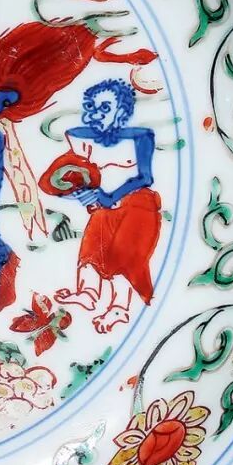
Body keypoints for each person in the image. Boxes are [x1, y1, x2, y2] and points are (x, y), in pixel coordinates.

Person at [39, 79, 161, 333]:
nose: (97, 114)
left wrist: (110, 196)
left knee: (124, 254)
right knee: (93, 245)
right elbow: (75, 172)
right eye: (92, 108)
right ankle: (87, 292)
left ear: (122, 110)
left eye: (105, 107)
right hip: (103, 207)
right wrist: (77, 193)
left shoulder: (140, 137)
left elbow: (145, 178)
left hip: (138, 204)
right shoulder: (81, 137)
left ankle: (119, 307)